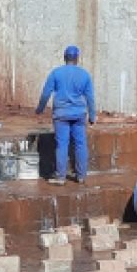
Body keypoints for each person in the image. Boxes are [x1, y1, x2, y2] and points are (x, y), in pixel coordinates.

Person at [35, 45, 96, 185]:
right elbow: (90, 98)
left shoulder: (56, 73)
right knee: (80, 144)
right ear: (77, 59)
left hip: (61, 114)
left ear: (64, 57)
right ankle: (81, 176)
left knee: (62, 144)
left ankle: (61, 177)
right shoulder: (85, 74)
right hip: (79, 114)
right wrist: (92, 116)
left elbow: (46, 93)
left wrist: (40, 109)